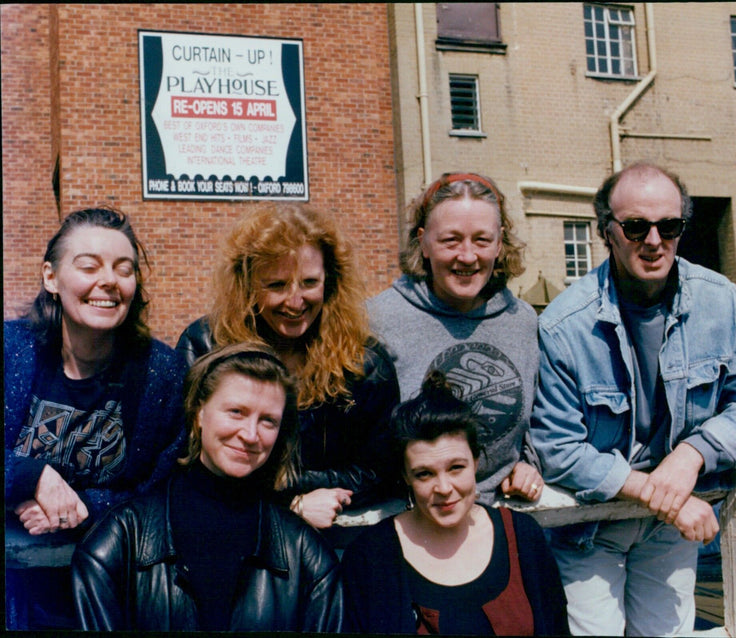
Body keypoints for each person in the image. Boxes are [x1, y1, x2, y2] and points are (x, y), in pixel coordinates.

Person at [530, 162, 736, 636]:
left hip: (671, 529)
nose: (653, 240)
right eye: (635, 227)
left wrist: (692, 455)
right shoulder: (565, 326)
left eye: (668, 226)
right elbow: (557, 450)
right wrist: (658, 492)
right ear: (606, 231)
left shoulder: (724, 304)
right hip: (590, 526)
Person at [71, 342, 343, 631]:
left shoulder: (308, 558)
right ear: (199, 413)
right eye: (236, 411)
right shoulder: (117, 543)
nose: (250, 435)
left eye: (268, 421)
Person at [4, 207, 187, 630]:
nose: (108, 280)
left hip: (109, 591)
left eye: (124, 270)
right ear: (51, 277)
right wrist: (32, 477)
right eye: (89, 266)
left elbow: (164, 489)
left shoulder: (161, 373)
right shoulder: (11, 349)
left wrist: (81, 506)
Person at [176, 203, 400, 529]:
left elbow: (382, 468)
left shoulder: (365, 362)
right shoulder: (206, 345)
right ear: (248, 284)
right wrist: (289, 503)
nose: (295, 302)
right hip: (230, 521)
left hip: (335, 529)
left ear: (330, 281)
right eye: (277, 285)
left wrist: (310, 495)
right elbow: (186, 456)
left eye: (309, 283)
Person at [341, 371, 569, 635]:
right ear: (405, 476)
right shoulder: (370, 556)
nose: (444, 488)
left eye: (456, 468)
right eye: (424, 474)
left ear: (476, 462)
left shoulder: (524, 537)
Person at [368, 172, 543, 506]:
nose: (467, 256)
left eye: (481, 240)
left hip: (500, 516)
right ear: (423, 242)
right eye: (451, 240)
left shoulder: (522, 321)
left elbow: (539, 416)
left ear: (500, 242)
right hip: (407, 518)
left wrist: (528, 464)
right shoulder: (378, 320)